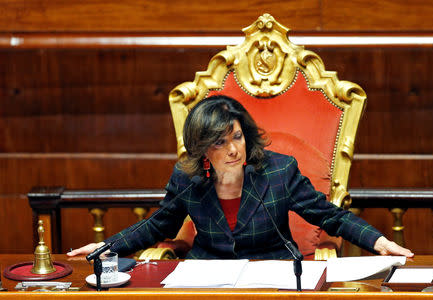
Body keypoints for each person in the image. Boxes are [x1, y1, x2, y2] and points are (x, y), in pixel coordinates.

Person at [68, 95, 413, 259]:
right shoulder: (187, 178)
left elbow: (329, 215)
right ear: (203, 150)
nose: (234, 149)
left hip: (271, 272)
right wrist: (106, 247)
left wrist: (378, 242)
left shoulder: (279, 170)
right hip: (208, 276)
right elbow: (158, 226)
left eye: (237, 136)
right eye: (220, 142)